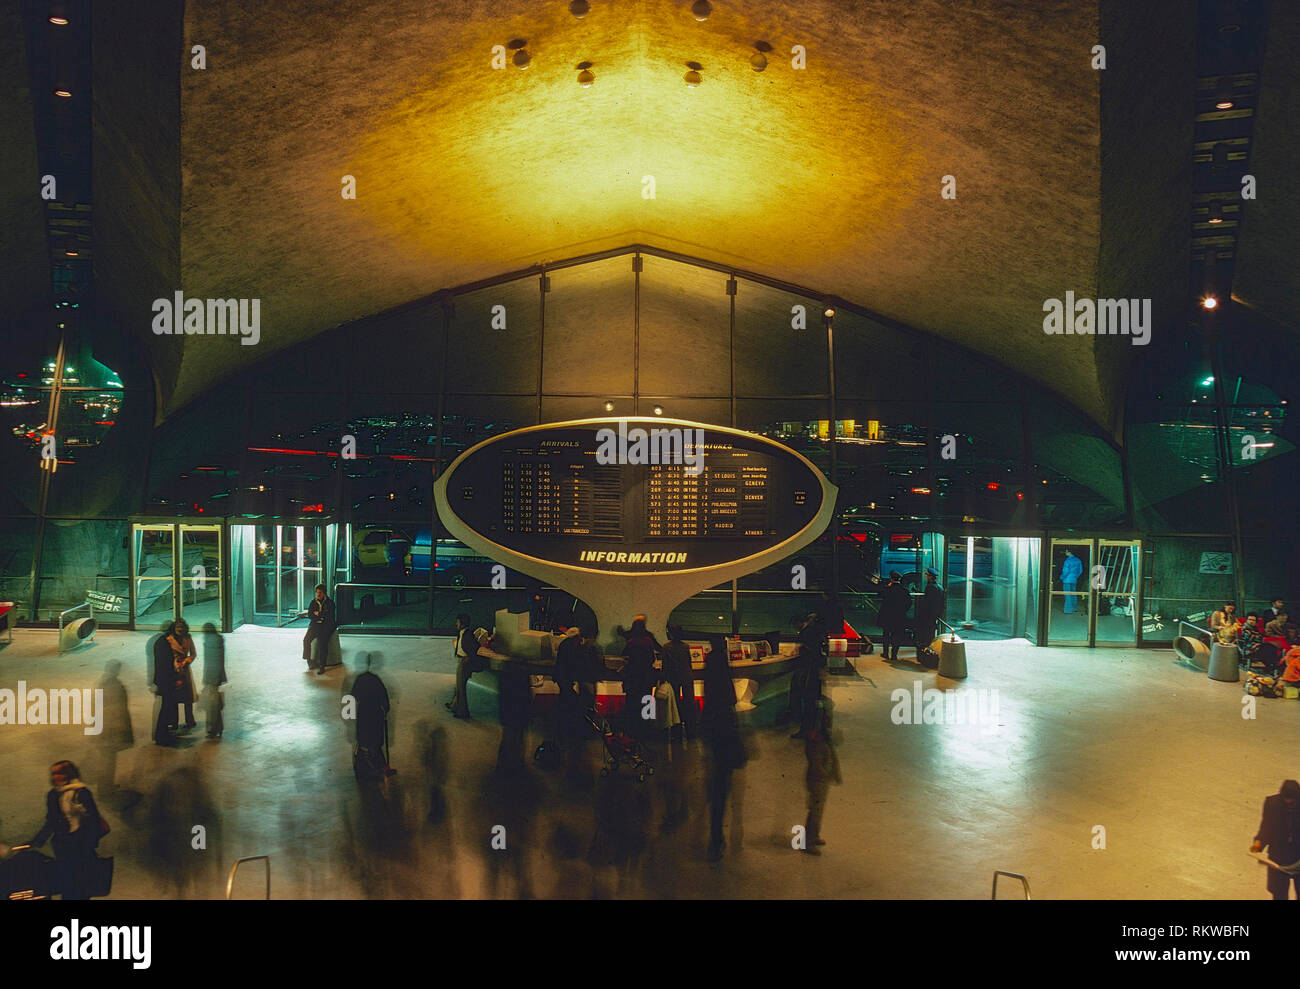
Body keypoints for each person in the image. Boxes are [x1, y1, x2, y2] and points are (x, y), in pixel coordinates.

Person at [27, 761, 106, 900]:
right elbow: (51, 821)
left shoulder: (81, 792)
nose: (56, 777)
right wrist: (36, 841)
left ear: (69, 774)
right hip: (63, 845)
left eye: (60, 773)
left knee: (82, 886)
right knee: (68, 885)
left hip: (81, 846)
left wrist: (89, 845)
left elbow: (93, 820)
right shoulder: (53, 795)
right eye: (54, 773)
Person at [702, 635, 745, 863]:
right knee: (725, 793)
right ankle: (722, 837)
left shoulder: (711, 668)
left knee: (717, 799)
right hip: (727, 747)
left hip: (716, 749)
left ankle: (716, 840)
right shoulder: (727, 703)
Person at [803, 702, 841, 855]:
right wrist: (827, 775)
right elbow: (816, 764)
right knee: (815, 810)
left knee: (819, 810)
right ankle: (808, 841)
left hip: (822, 781)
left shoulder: (823, 741)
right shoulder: (815, 744)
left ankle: (814, 835)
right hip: (817, 781)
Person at [1251, 780, 1300, 900]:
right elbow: (1266, 827)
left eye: (1292, 800)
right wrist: (1259, 843)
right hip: (1278, 856)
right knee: (1279, 894)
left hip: (1298, 856)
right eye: (1286, 799)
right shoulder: (1272, 804)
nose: (1288, 802)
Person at [353, 654, 395, 778]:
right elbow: (384, 697)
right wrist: (386, 710)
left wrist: (349, 715)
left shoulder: (360, 679)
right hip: (376, 714)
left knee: (364, 741)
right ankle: (379, 766)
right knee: (375, 742)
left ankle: (370, 766)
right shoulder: (376, 680)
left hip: (363, 713)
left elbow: (353, 695)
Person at [619, 616, 661, 735]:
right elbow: (653, 657)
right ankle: (647, 726)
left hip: (632, 677)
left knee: (631, 700)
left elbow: (624, 655)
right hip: (646, 676)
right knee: (647, 699)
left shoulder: (630, 641)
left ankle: (631, 726)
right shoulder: (648, 640)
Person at [788, 613, 825, 739]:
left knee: (808, 701)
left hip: (808, 670)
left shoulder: (806, 633)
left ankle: (806, 729)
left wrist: (801, 647)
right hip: (814, 670)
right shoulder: (813, 631)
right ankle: (811, 728)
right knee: (811, 701)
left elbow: (810, 651)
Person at [446, 614, 489, 719]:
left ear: (462, 623)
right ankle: (454, 705)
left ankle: (462, 712)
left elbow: (473, 650)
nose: (456, 624)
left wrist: (468, 658)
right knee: (458, 686)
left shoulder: (467, 635)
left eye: (458, 622)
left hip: (465, 663)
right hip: (462, 661)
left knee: (461, 687)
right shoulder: (463, 633)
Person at [660, 625, 698, 741]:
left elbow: (665, 665)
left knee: (675, 705)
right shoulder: (685, 647)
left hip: (673, 677)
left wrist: (663, 679)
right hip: (686, 676)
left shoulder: (666, 647)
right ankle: (690, 731)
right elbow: (688, 662)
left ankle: (677, 732)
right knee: (688, 703)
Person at [153, 631, 185, 745]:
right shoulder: (165, 647)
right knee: (166, 709)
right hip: (167, 683)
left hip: (163, 682)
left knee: (165, 708)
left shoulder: (160, 644)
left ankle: (163, 733)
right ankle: (162, 735)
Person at [166, 618, 198, 731]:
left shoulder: (188, 638)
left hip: (185, 670)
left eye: (181, 627)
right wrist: (175, 663)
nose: (179, 629)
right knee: (174, 697)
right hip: (174, 670)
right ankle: (173, 722)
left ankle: (190, 720)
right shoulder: (169, 639)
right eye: (177, 627)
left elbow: (193, 653)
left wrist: (186, 661)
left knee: (187, 697)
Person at [201, 622, 227, 739]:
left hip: (211, 677)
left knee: (212, 706)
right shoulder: (218, 640)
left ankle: (212, 729)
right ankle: (218, 727)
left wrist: (207, 678)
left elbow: (210, 663)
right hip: (217, 676)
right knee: (215, 704)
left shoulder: (209, 641)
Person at [877, 572, 911, 660]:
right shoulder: (904, 591)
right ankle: (894, 654)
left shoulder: (887, 589)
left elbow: (879, 594)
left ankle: (885, 653)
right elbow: (908, 603)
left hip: (887, 616)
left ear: (891, 579)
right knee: (897, 636)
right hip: (899, 617)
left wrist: (888, 585)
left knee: (886, 635)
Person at [303, 583, 336, 674]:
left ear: (324, 593)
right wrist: (319, 615)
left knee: (322, 643)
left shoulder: (330, 603)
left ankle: (322, 666)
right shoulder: (313, 602)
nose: (318, 594)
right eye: (317, 592)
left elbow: (329, 616)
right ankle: (309, 661)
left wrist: (318, 614)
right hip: (315, 625)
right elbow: (310, 614)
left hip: (326, 626)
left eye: (320, 592)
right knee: (306, 640)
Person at [915, 568, 946, 650]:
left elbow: (927, 603)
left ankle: (926, 650)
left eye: (927, 575)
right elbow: (942, 603)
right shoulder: (940, 587)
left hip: (928, 615)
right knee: (931, 633)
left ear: (930, 577)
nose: (926, 577)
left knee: (926, 634)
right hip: (935, 615)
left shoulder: (930, 587)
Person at [1060, 549, 1083, 614]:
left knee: (1067, 595)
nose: (1065, 553)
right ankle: (1074, 608)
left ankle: (1068, 610)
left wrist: (1061, 577)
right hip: (1074, 579)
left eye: (1066, 551)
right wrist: (1075, 577)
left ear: (1070, 552)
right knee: (1073, 594)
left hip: (1067, 579)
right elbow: (1080, 571)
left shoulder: (1067, 561)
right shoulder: (1078, 560)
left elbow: (1065, 571)